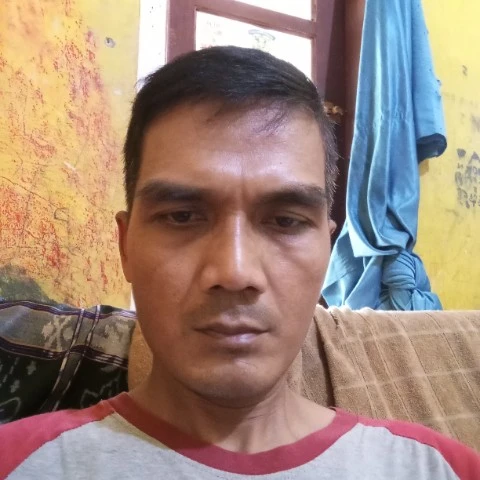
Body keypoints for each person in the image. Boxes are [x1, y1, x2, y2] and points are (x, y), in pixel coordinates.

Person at [0, 46, 478, 479]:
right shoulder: (19, 463)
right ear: (126, 248)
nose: (234, 273)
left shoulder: (442, 469)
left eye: (285, 221)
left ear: (326, 250)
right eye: (182, 216)